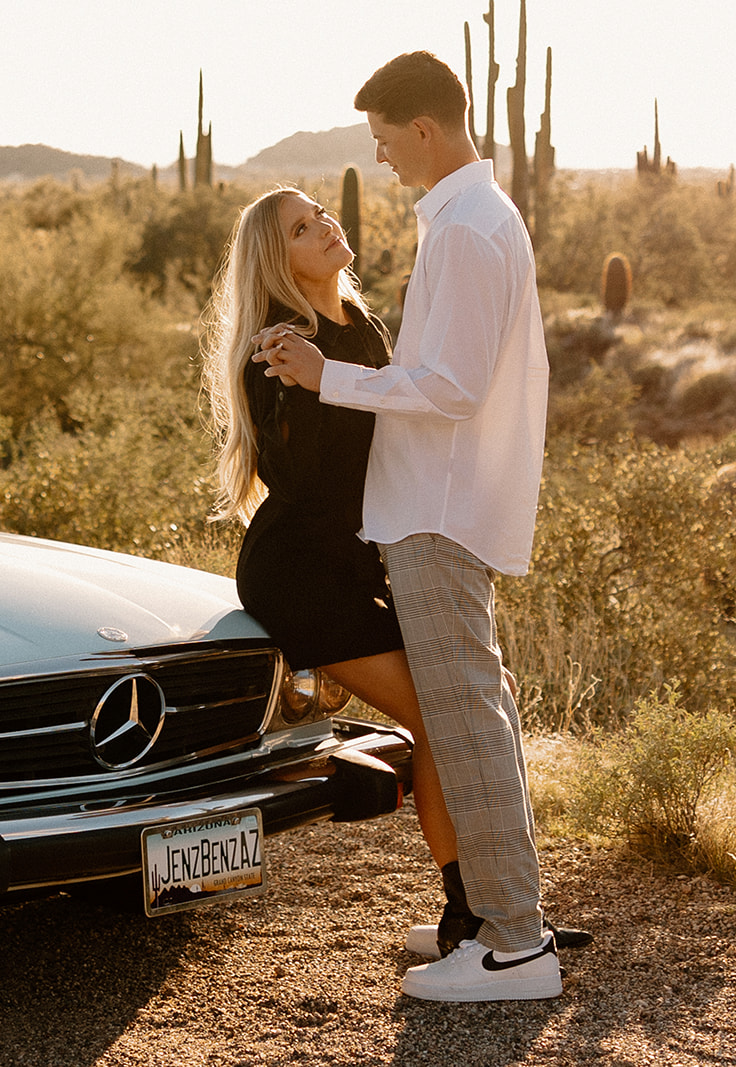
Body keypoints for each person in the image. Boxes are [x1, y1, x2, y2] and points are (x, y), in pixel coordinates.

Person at [255, 50, 568, 1002]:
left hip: (436, 514)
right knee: (477, 716)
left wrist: (325, 378)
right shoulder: (473, 219)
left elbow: (451, 389)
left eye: (386, 142)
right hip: (431, 513)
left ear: (423, 129)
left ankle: (514, 945)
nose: (382, 161)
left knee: (468, 721)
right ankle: (512, 926)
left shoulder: (469, 232)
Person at [201, 185, 461, 950]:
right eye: (303, 228)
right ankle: (468, 911)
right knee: (439, 715)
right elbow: (310, 480)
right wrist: (311, 380)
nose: (326, 227)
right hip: (300, 571)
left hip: (359, 560)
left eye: (324, 215)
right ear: (276, 261)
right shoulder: (279, 347)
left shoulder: (364, 328)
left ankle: (491, 901)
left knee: (476, 701)